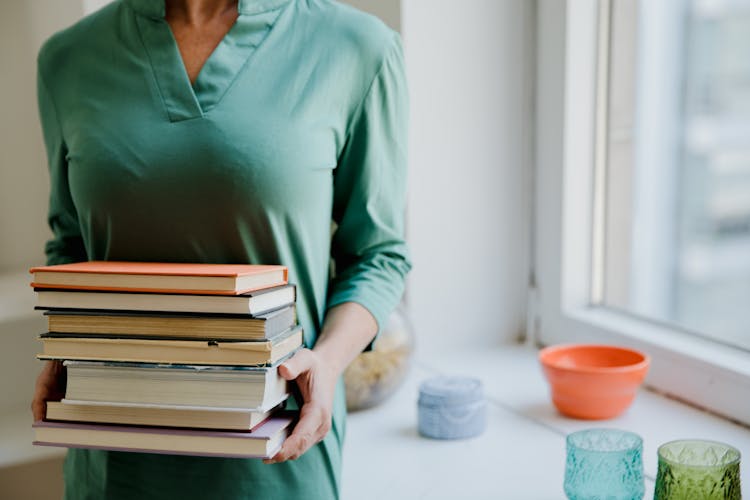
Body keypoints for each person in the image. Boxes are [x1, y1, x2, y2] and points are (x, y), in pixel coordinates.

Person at [30, 0, 411, 498]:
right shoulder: (67, 59)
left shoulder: (358, 48)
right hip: (113, 454)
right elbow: (71, 243)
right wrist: (64, 346)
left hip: (276, 456)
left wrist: (330, 360)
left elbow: (377, 255)